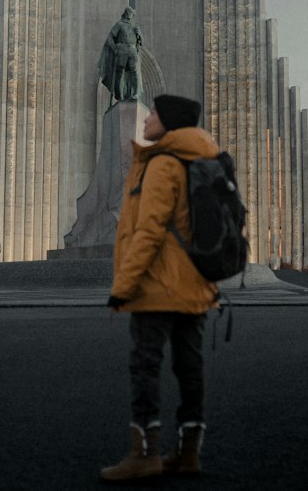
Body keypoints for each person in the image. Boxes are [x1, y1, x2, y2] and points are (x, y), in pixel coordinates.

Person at [100, 93, 219, 482]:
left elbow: (148, 232)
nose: (147, 118)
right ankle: (188, 452)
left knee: (145, 366)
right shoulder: (202, 160)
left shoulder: (163, 165)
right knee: (190, 368)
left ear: (168, 123)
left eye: (153, 113)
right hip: (194, 284)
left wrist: (125, 284)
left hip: (158, 286)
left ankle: (145, 454)